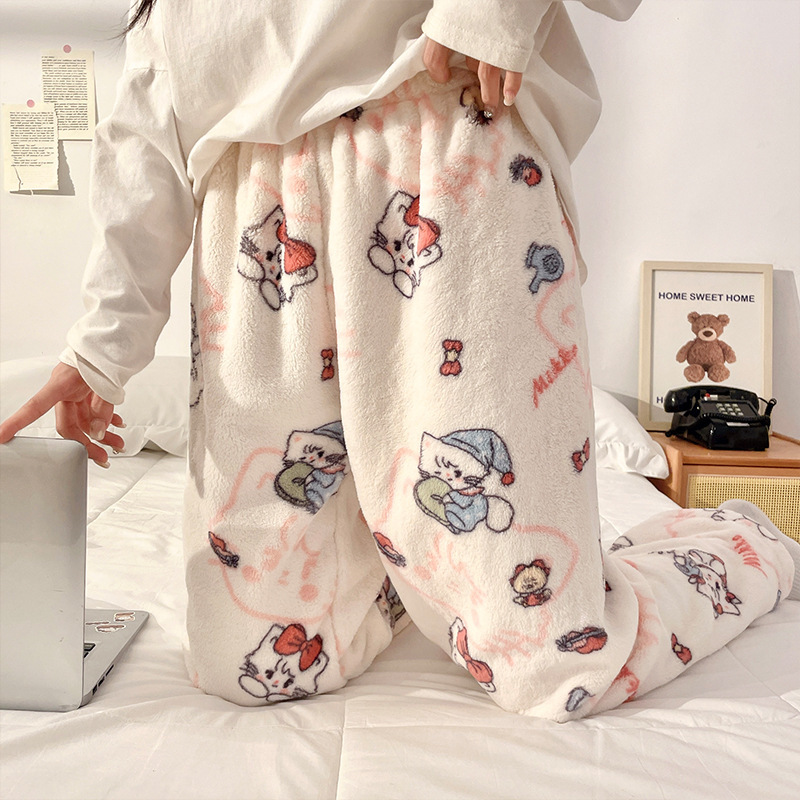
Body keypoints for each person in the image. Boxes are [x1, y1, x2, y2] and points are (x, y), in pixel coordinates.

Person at [1, 0, 797, 720]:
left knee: (553, 667)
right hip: (257, 241)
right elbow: (143, 143)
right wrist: (99, 351)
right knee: (246, 667)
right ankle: (388, 571)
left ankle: (738, 545)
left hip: (444, 165)